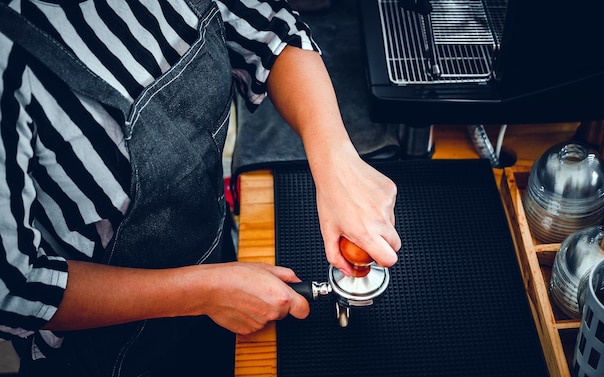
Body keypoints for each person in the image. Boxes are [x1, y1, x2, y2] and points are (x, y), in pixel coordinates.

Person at [0, 0, 401, 375]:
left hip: (219, 257)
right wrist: (203, 293)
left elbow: (271, 31)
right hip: (105, 348)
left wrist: (336, 160)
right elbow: (14, 291)